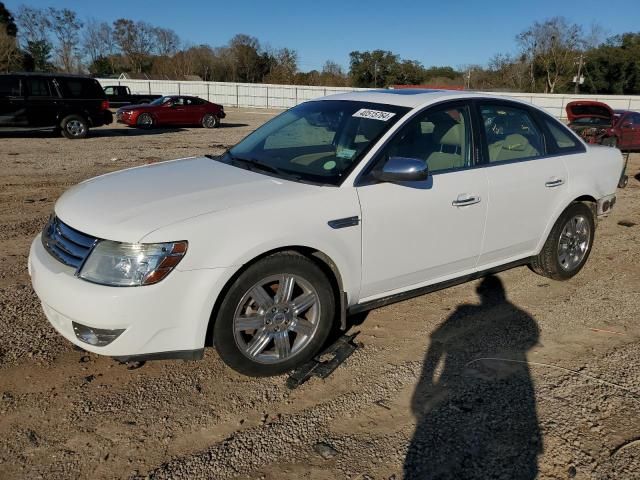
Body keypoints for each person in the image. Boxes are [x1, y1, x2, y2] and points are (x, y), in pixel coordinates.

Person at [404, 275, 542, 480]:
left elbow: (437, 341)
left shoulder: (467, 313)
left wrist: (426, 379)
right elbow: (438, 341)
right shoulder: (514, 317)